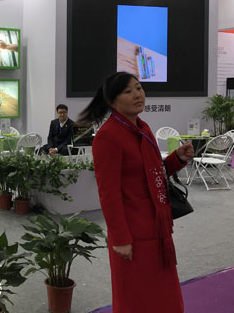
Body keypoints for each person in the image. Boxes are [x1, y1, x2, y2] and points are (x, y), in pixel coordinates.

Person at [77, 72, 193, 313]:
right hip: (132, 233)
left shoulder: (143, 128)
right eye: (128, 91)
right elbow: (108, 194)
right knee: (135, 297)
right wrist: (120, 238)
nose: (137, 95)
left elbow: (153, 173)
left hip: (157, 227)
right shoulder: (108, 136)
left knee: (163, 295)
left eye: (139, 88)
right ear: (112, 101)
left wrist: (177, 159)